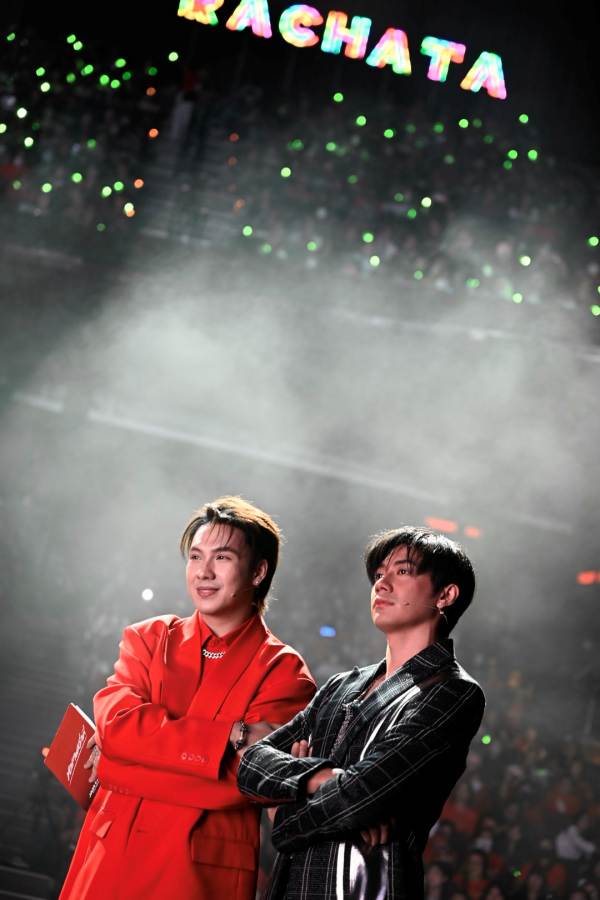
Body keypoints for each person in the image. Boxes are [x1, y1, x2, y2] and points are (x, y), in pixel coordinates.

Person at [59, 496, 316, 900]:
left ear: (258, 571)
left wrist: (118, 763)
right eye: (195, 557)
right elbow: (116, 727)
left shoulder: (285, 672)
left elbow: (248, 781)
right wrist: (227, 736)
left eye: (222, 557)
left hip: (199, 876)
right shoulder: (147, 638)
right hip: (110, 859)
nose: (203, 572)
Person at [237, 525, 485, 899]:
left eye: (402, 571)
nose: (382, 583)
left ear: (445, 595)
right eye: (379, 574)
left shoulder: (453, 691)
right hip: (292, 886)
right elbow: (251, 765)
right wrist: (321, 778)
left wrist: (284, 809)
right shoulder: (341, 685)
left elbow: (361, 795)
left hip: (369, 888)